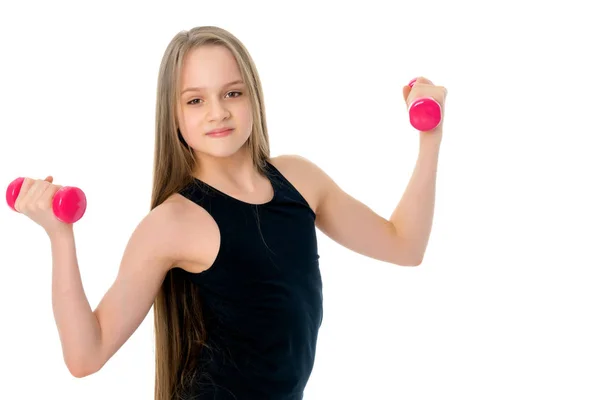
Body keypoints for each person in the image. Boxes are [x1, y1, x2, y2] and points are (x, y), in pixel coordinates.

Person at [12, 25, 447, 399]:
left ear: (253, 97)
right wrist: (59, 236)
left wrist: (431, 137)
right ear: (174, 116)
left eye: (231, 93)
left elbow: (404, 245)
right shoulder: (171, 224)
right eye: (195, 100)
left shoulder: (301, 180)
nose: (218, 112)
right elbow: (86, 355)